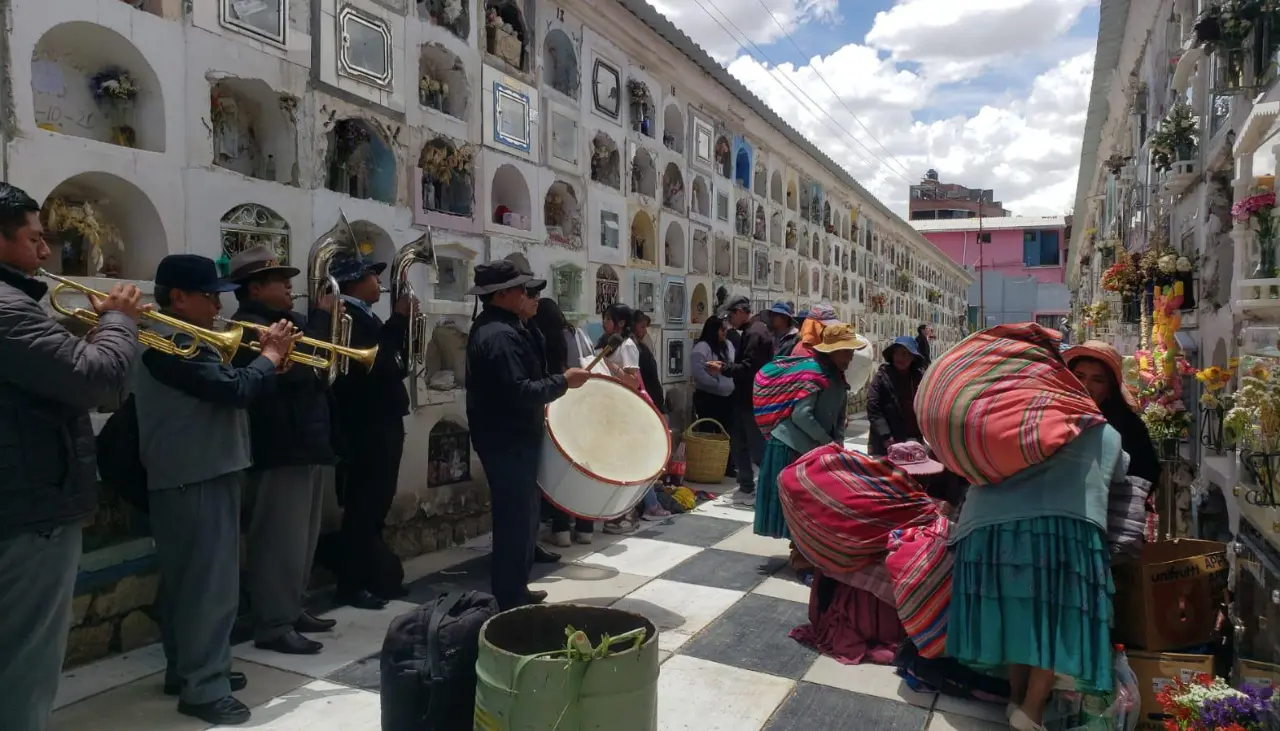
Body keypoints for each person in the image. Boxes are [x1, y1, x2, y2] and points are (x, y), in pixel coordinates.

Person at [0, 183, 144, 731]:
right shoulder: (9, 309)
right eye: (34, 238)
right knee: (25, 667)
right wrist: (120, 320)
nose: (44, 252)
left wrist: (88, 329)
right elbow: (97, 378)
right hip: (29, 513)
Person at [134, 254, 297, 725]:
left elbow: (229, 384)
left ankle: (187, 669)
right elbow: (231, 390)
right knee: (210, 587)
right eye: (209, 296)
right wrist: (267, 357)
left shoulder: (185, 338)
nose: (217, 304)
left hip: (202, 469)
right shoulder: (167, 341)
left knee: (190, 584)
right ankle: (204, 687)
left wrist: (269, 365)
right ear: (178, 297)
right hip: (195, 472)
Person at [226, 246, 338, 656]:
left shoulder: (286, 325)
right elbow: (296, 377)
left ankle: (292, 607)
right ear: (255, 289)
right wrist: (321, 323)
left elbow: (320, 375)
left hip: (304, 444)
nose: (291, 287)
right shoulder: (247, 330)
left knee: (303, 539)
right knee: (278, 541)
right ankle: (273, 623)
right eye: (280, 281)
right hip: (278, 448)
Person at [465, 260, 590, 610]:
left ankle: (517, 586)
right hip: (506, 440)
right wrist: (564, 382)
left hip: (515, 437)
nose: (527, 294)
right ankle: (508, 597)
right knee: (513, 520)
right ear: (502, 294)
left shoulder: (511, 327)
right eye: (520, 289)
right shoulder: (498, 336)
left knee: (525, 517)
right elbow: (520, 390)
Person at [325, 253, 414, 610]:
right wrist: (399, 321)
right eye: (372, 277)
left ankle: (373, 577)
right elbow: (373, 362)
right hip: (365, 424)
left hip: (382, 419)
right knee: (363, 506)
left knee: (376, 505)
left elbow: (389, 363)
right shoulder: (345, 316)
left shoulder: (363, 314)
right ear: (351, 283)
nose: (379, 282)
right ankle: (352, 584)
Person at [754, 325, 861, 575]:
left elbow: (839, 418)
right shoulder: (814, 374)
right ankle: (801, 559)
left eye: (851, 352)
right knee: (803, 505)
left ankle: (806, 552)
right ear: (832, 352)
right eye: (845, 352)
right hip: (791, 447)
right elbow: (801, 415)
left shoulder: (837, 377)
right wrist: (827, 443)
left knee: (811, 504)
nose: (850, 357)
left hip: (812, 448)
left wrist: (839, 450)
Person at [530, 296, 594, 548]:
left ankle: (560, 530)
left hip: (554, 407)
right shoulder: (576, 334)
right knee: (583, 467)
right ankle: (586, 528)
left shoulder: (538, 338)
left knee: (559, 470)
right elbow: (589, 363)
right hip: (581, 406)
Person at [707, 295, 773, 505]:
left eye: (731, 316)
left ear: (740, 312)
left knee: (756, 447)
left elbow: (749, 368)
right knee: (740, 444)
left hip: (752, 398)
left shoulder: (755, 333)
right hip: (745, 397)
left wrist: (723, 368)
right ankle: (746, 487)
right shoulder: (753, 330)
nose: (730, 323)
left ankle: (768, 489)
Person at [1066, 340, 1161, 484]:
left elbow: (1147, 475)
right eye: (1079, 377)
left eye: (1097, 380)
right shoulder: (1053, 416)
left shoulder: (1130, 427)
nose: (1086, 386)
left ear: (1110, 388)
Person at [866, 336, 926, 456]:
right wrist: (886, 435)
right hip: (886, 440)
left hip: (911, 438)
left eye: (905, 354)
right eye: (897, 353)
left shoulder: (918, 378)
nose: (900, 358)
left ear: (913, 358)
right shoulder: (882, 377)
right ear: (892, 355)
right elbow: (873, 406)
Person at [691, 315, 736, 444]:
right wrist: (716, 384)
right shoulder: (702, 347)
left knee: (726, 434)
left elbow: (732, 364)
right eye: (722, 330)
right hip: (708, 398)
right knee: (708, 434)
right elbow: (698, 371)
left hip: (727, 398)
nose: (725, 332)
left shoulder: (728, 345)